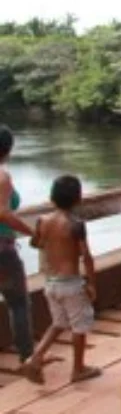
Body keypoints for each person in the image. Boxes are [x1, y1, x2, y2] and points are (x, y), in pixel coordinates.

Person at [20, 176, 101, 384]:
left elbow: (35, 243)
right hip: (71, 283)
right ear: (78, 199)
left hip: (51, 283)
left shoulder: (42, 221)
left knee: (58, 323)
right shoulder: (76, 224)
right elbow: (87, 256)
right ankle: (78, 369)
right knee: (80, 325)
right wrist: (91, 283)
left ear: (53, 198)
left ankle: (35, 358)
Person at [0, 126, 36, 366]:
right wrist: (34, 232)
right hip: (2, 250)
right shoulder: (2, 177)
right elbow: (3, 213)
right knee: (18, 303)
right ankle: (28, 358)